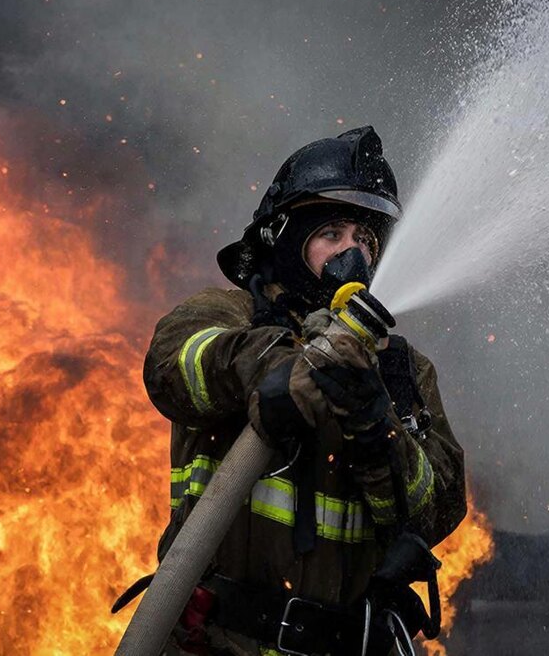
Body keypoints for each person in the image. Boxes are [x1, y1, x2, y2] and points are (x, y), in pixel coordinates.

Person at [141, 127, 467, 655]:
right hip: (221, 644)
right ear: (288, 241)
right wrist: (281, 364)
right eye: (333, 234)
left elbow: (437, 512)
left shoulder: (402, 372)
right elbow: (172, 370)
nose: (352, 255)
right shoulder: (226, 316)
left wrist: (375, 422)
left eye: (365, 240)